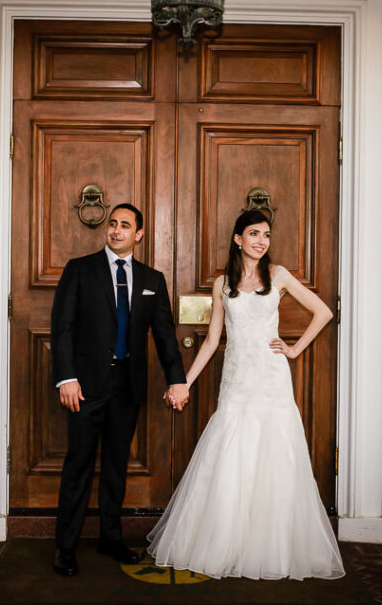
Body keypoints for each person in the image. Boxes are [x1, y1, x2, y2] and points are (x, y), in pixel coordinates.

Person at [146, 209, 345, 580]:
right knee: (231, 450)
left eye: (266, 235)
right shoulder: (223, 283)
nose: (261, 241)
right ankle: (227, 544)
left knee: (275, 452)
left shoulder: (278, 275)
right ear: (238, 239)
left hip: (271, 378)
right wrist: (186, 382)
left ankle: (271, 548)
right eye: (254, 234)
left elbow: (323, 312)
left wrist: (295, 349)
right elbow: (212, 340)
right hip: (237, 378)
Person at [51, 203, 188, 577]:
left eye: (125, 225)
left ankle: (111, 538)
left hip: (127, 387)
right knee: (79, 465)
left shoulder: (152, 279)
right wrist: (66, 378)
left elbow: (164, 335)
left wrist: (176, 378)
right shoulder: (80, 270)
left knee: (115, 466)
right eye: (112, 224)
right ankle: (65, 546)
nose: (116, 230)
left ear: (138, 234)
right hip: (84, 386)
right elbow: (62, 327)